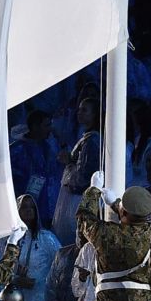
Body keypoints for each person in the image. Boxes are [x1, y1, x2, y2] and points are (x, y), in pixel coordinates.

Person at [77, 171, 151, 301]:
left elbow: (84, 219)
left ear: (123, 211)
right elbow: (140, 217)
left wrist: (93, 190)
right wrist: (116, 204)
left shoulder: (107, 233)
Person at [52, 97, 101, 245]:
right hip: (71, 199)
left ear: (94, 114)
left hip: (76, 200)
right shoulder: (86, 137)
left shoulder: (92, 140)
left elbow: (83, 178)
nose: (79, 113)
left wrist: (69, 163)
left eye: (85, 110)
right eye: (79, 109)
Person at [8, 194, 61, 301]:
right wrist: (14, 279)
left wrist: (54, 295)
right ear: (17, 211)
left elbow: (61, 266)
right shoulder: (10, 239)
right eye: (24, 207)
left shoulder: (46, 238)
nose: (29, 210)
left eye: (32, 207)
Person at [9, 110, 62, 227]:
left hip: (48, 208)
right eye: (46, 125)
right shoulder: (17, 150)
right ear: (35, 126)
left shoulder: (48, 147)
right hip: (25, 207)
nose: (50, 129)